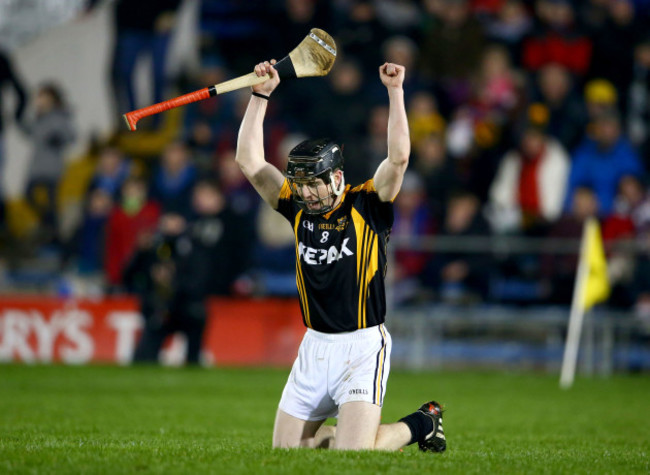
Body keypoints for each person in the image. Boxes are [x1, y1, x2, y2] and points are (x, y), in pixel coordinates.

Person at [235, 59, 446, 452]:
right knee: (286, 453)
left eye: (313, 184)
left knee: (353, 455)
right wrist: (259, 96)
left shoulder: (367, 202)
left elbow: (398, 160)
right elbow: (249, 162)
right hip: (315, 345)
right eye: (300, 185)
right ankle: (334, 435)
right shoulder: (297, 208)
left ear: (335, 177)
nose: (306, 194)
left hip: (362, 346)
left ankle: (423, 421)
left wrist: (395, 92)